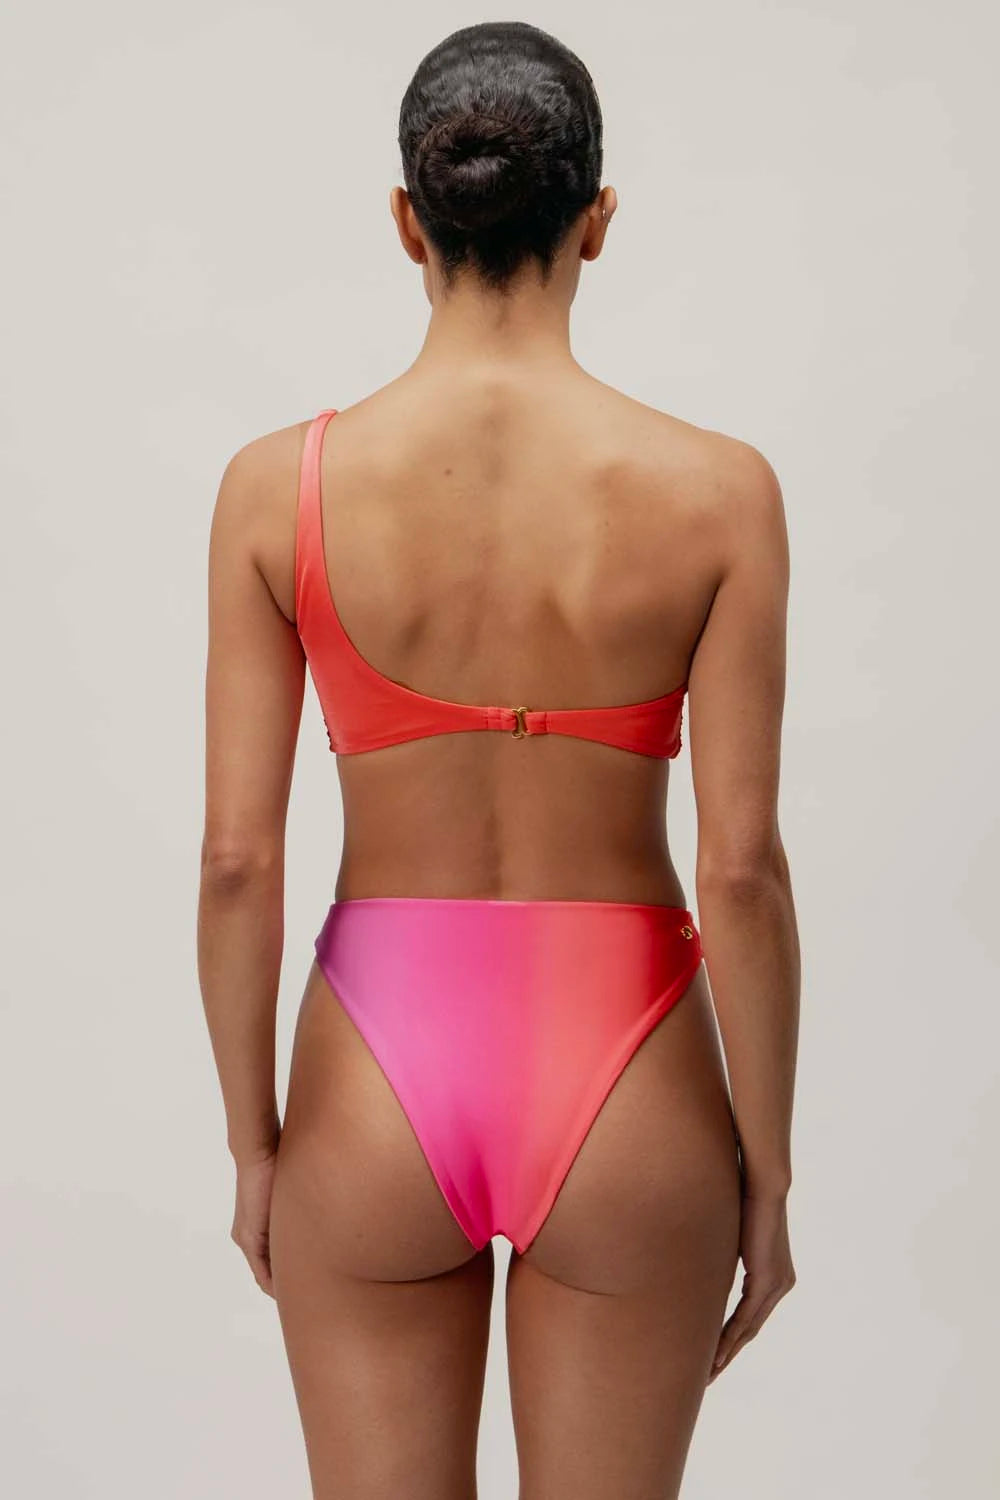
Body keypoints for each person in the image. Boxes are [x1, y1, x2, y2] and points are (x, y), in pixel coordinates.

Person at [198, 20, 800, 1499]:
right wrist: (769, 1172)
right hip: (633, 1066)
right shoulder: (721, 494)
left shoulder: (276, 491)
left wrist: (257, 1146)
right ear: (598, 220)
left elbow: (236, 863)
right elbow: (741, 870)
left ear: (410, 220)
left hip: (373, 1070)